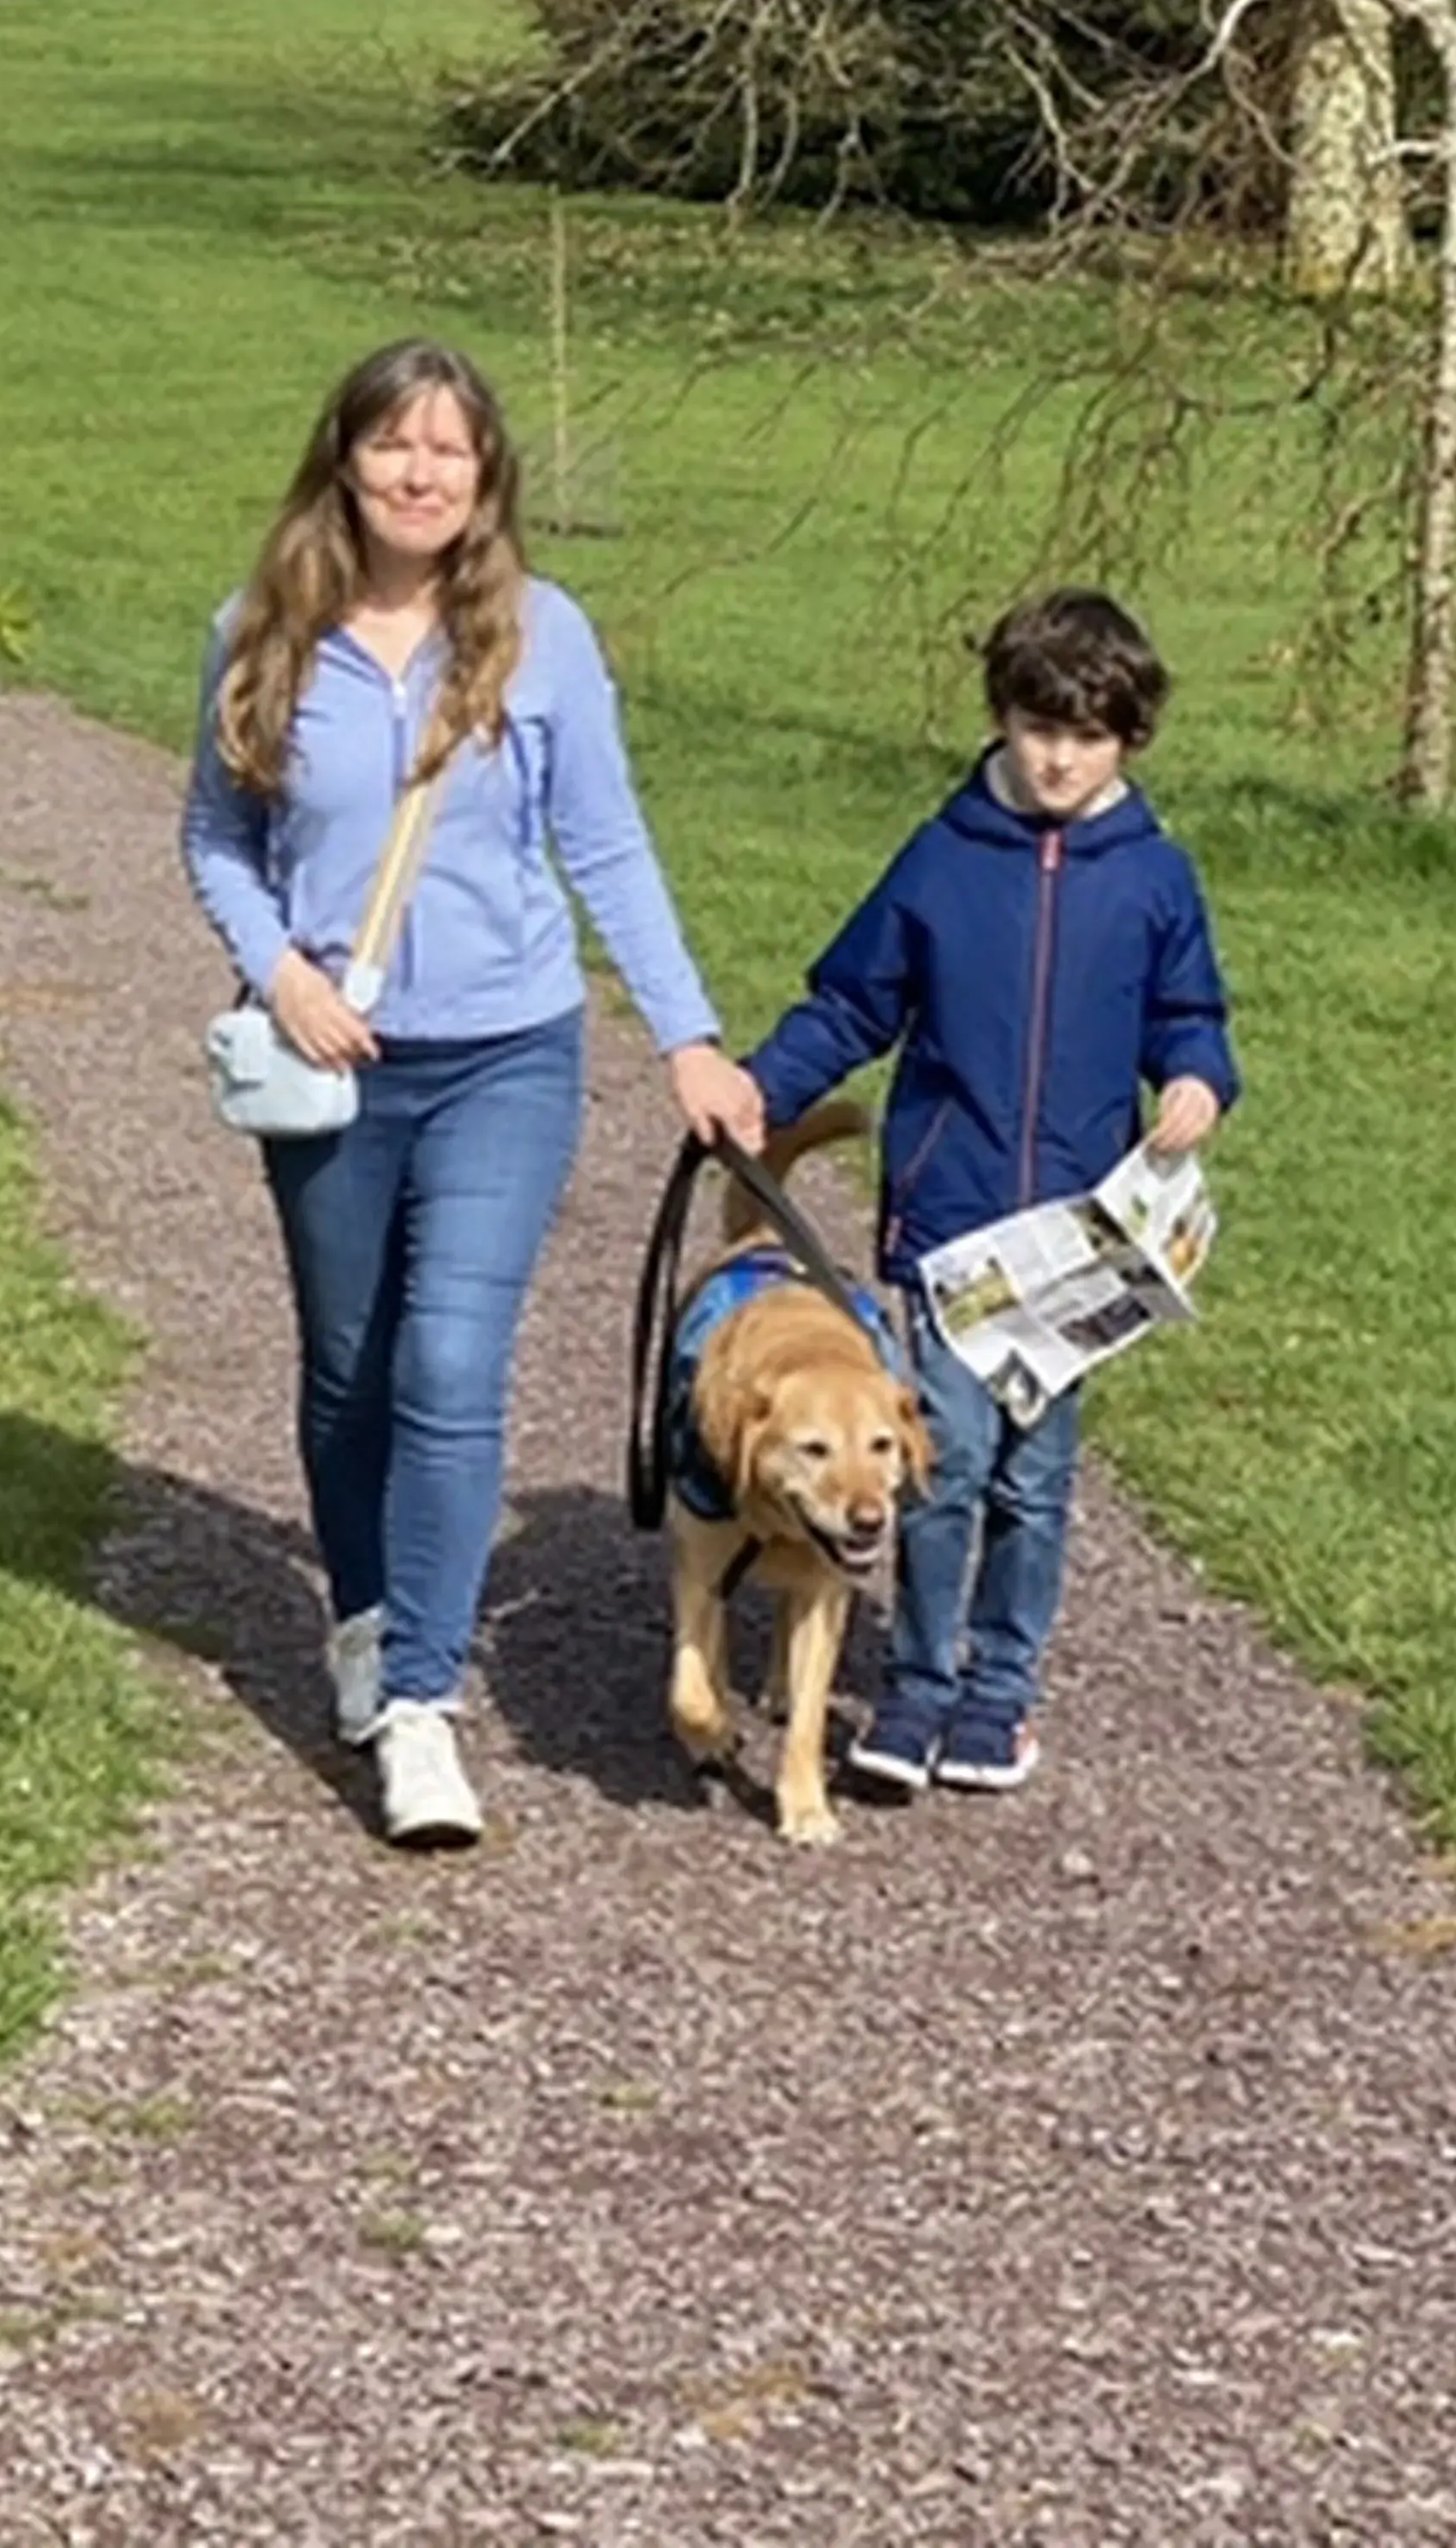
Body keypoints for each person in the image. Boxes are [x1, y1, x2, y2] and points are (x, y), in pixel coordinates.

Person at [183, 338, 756, 1850]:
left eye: (451, 451)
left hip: (509, 1051)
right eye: (394, 448)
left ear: (488, 473)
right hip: (328, 1067)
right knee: (349, 1370)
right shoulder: (262, 628)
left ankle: (424, 1705)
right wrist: (278, 970)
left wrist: (689, 1037)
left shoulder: (542, 638)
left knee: (448, 1363)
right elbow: (216, 837)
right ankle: (365, 1620)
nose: (422, 475)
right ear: (345, 463)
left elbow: (610, 850)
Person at [749, 586, 1242, 1802]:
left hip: (1081, 1242)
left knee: (1035, 1473)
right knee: (947, 1455)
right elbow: (855, 1002)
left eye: (1088, 734)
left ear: (1130, 737)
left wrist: (1195, 1080)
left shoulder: (1157, 879)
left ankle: (1000, 1693)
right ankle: (916, 1688)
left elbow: (1192, 1017)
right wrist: (758, 1094)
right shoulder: (941, 860)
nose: (1061, 755)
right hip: (957, 1223)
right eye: (1038, 727)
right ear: (1003, 720)